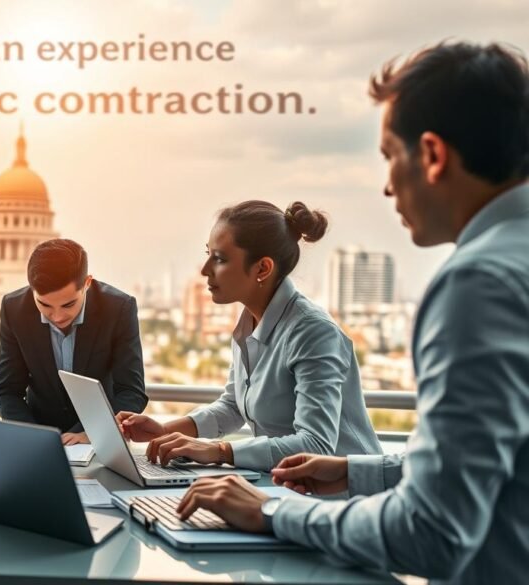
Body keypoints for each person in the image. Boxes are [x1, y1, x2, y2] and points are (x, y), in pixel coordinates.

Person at [173, 41, 529, 584]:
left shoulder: (478, 285)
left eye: (389, 155)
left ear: (431, 155)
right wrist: (357, 471)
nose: (387, 185)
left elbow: (432, 531)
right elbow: (496, 464)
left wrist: (269, 511)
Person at [117, 202, 381, 471]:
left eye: (219, 258)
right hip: (287, 486)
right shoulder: (249, 323)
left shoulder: (313, 332)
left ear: (263, 269)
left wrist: (219, 451)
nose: (204, 269)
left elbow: (315, 445)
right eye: (208, 254)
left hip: (346, 496)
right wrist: (164, 431)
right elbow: (233, 406)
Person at [0, 238, 147, 445]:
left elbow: (131, 391)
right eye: (44, 305)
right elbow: (7, 390)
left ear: (87, 283)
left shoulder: (119, 308)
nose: (57, 317)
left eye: (68, 304)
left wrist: (93, 432)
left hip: (98, 439)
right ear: (31, 289)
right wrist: (33, 435)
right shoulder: (13, 309)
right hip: (37, 439)